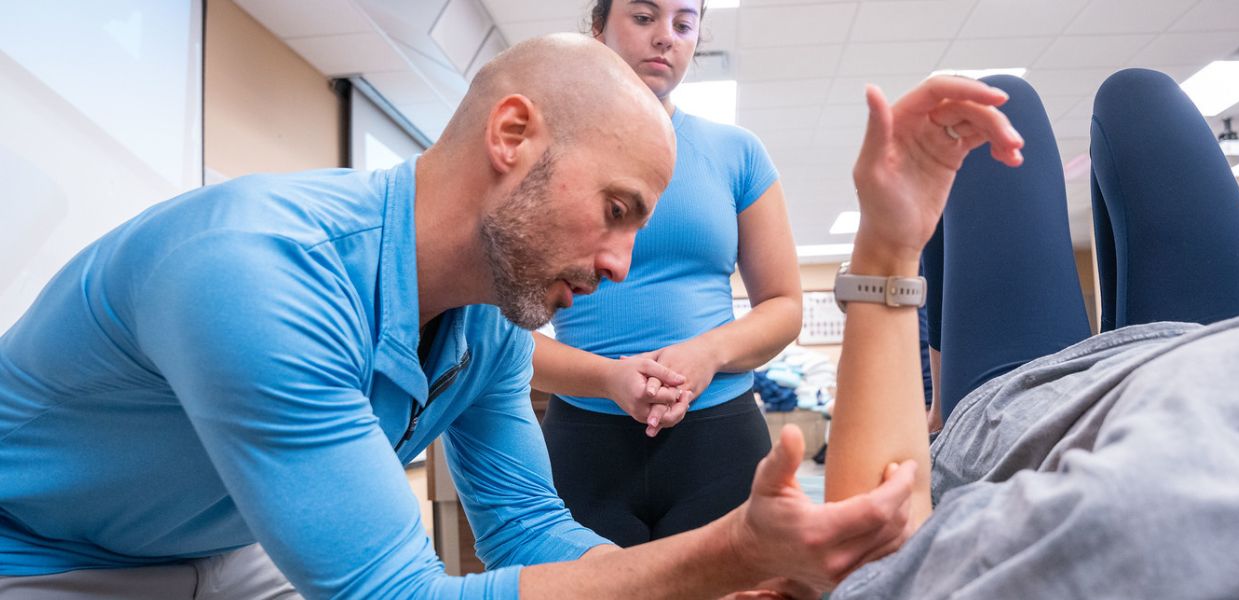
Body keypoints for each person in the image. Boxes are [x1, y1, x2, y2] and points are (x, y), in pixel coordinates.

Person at [0, 34, 922, 599]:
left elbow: (524, 526)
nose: (620, 264)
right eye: (616, 210)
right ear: (511, 138)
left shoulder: (485, 320)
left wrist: (725, 585)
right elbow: (392, 591)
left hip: (229, 548)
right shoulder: (254, 271)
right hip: (46, 559)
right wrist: (717, 557)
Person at [820, 69, 1239, 598]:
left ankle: (945, 413)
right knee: (1139, 96)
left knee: (1000, 109)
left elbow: (875, 568)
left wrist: (885, 251)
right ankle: (943, 413)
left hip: (1032, 407)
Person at [530, 0, 804, 546]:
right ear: (598, 27)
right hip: (586, 435)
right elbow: (497, 335)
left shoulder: (737, 153)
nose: (666, 38)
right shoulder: (543, 152)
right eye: (643, 17)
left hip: (718, 434)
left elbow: (783, 305)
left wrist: (707, 354)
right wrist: (608, 378)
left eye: (684, 24)